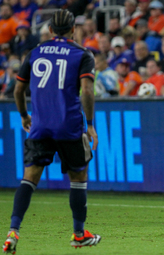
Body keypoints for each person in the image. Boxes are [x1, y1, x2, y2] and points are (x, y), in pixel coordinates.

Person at [2, 9, 101, 254]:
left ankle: (13, 231)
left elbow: (17, 90)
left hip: (40, 126)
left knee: (29, 178)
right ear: (73, 29)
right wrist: (89, 124)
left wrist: (25, 116)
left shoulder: (35, 52)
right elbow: (87, 91)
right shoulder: (82, 54)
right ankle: (79, 234)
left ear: (49, 30)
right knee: (78, 178)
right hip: (69, 126)